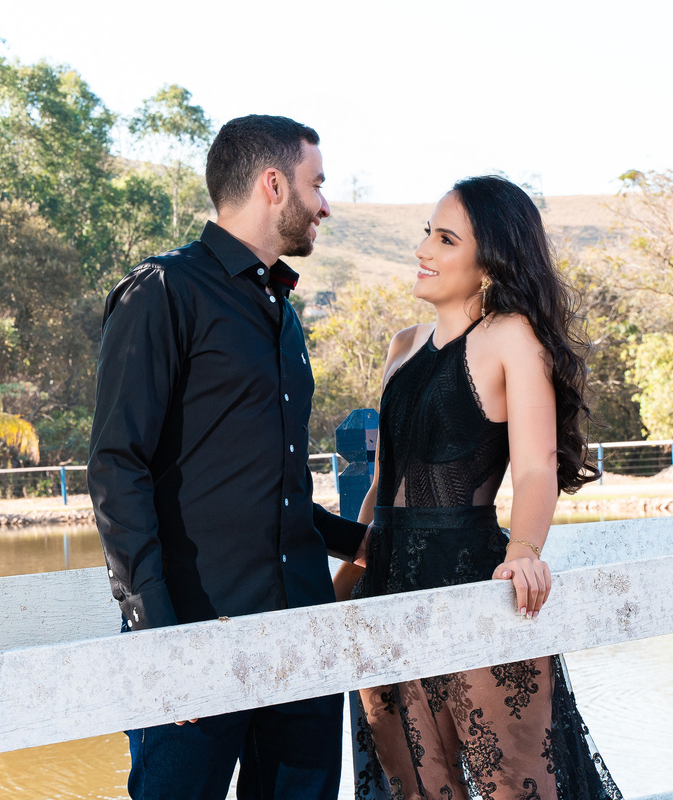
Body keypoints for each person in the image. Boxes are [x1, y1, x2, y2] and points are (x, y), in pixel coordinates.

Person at [87, 114, 369, 800]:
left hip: (300, 638)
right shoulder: (162, 292)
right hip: (193, 635)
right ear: (274, 184)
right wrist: (162, 635)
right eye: (317, 183)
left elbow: (282, 494)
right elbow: (116, 468)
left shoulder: (282, 310)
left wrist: (370, 542)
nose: (326, 203)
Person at [332, 175, 623, 799]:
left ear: (489, 259)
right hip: (384, 592)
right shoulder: (401, 347)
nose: (424, 250)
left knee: (518, 788)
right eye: (425, 235)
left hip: (474, 581)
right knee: (415, 790)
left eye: (445, 239)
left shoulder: (509, 337)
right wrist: (350, 573)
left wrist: (525, 552)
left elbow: (537, 466)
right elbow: (386, 481)